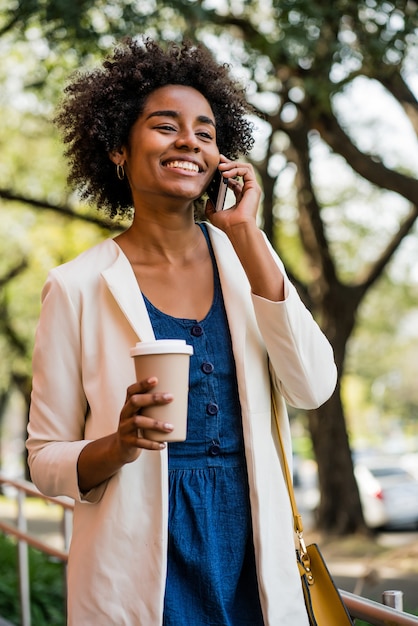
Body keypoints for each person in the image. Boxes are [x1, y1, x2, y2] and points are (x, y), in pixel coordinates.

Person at [26, 37, 337, 626]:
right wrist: (116, 445)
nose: (189, 140)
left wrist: (247, 233)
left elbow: (313, 386)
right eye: (165, 126)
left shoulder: (249, 262)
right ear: (119, 147)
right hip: (141, 566)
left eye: (206, 132)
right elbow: (45, 460)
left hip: (252, 553)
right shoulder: (76, 286)